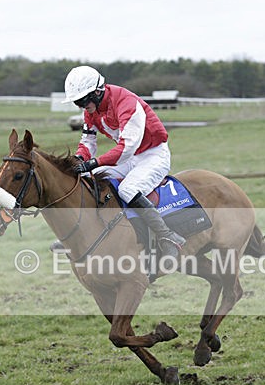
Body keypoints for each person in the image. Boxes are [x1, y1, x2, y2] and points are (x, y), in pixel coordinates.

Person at [63, 65, 186, 261]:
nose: (80, 106)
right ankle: (82, 234)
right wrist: (79, 159)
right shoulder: (90, 111)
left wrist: (94, 162)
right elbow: (88, 141)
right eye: (76, 102)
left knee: (127, 190)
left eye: (82, 100)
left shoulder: (126, 102)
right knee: (89, 178)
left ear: (97, 92)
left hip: (153, 155)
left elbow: (127, 147)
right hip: (131, 157)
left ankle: (168, 237)